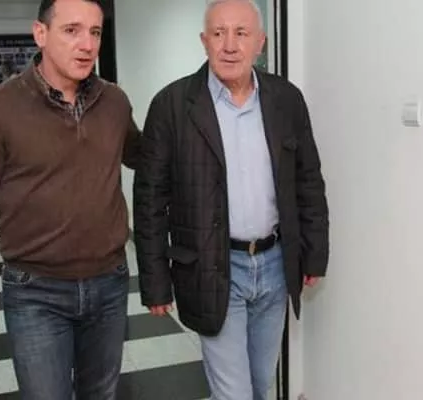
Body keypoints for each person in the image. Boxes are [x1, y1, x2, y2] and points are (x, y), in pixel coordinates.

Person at [0, 0, 140, 399]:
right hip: (36, 293)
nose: (87, 44)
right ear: (41, 34)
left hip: (109, 283)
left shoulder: (114, 102)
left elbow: (146, 156)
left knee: (101, 394)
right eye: (72, 30)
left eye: (95, 32)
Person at [133, 1, 329, 399]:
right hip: (212, 266)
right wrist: (155, 282)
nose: (229, 45)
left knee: (260, 383)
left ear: (260, 42)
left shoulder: (286, 100)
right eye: (218, 33)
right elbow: (149, 200)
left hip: (274, 264)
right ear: (204, 41)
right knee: (234, 393)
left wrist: (314, 253)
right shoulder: (172, 105)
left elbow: (307, 179)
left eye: (241, 33)